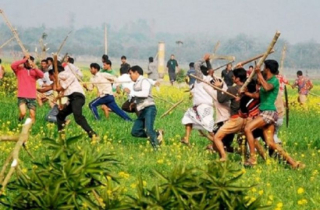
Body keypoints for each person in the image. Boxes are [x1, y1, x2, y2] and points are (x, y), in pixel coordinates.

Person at [244, 60, 303, 168]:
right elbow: (257, 96)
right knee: (270, 143)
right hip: (264, 113)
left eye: (264, 68)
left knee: (248, 128)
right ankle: (294, 163)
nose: (263, 70)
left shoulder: (274, 80)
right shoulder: (266, 80)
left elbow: (266, 87)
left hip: (269, 113)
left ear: (268, 69)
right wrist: (245, 93)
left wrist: (257, 73)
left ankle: (252, 159)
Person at [49, 66, 97, 140]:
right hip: (72, 99)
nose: (50, 78)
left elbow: (72, 77)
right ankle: (61, 137)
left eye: (50, 75)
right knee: (60, 115)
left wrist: (62, 87)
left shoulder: (61, 74)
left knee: (78, 117)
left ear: (54, 73)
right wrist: (62, 103)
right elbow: (65, 93)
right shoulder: (60, 81)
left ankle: (93, 135)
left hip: (77, 97)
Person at [124, 65, 163, 149]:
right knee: (135, 132)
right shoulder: (136, 84)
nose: (130, 76)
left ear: (136, 73)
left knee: (149, 130)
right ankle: (156, 134)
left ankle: (157, 149)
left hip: (149, 108)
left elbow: (144, 94)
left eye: (131, 73)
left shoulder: (144, 81)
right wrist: (134, 102)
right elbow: (138, 96)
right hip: (142, 110)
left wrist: (131, 92)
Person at [211, 68, 247, 161]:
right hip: (248, 118)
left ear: (238, 78)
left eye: (234, 76)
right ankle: (249, 157)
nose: (232, 77)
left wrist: (219, 88)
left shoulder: (233, 89)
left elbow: (221, 99)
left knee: (217, 138)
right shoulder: (249, 87)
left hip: (235, 119)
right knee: (245, 140)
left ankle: (224, 157)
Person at [181, 54, 215, 145]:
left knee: (209, 127)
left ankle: (217, 143)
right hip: (198, 107)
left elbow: (196, 65)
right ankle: (186, 138)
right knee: (188, 117)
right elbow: (211, 70)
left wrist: (204, 59)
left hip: (204, 107)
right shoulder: (210, 78)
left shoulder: (202, 79)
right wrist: (208, 61)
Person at [11, 55, 44, 123]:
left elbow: (41, 75)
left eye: (30, 62)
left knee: (32, 115)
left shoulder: (34, 71)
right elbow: (13, 65)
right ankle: (19, 121)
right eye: (27, 62)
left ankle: (32, 129)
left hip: (32, 96)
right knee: (23, 113)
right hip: (22, 95)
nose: (28, 63)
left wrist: (35, 67)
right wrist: (24, 59)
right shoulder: (19, 70)